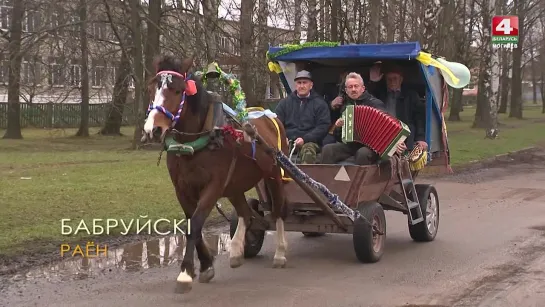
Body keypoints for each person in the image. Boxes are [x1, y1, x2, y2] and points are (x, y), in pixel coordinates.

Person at [320, 72, 387, 165]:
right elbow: (339, 138)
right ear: (346, 90)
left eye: (356, 86)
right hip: (351, 145)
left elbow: (386, 126)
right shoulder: (345, 106)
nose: (353, 89)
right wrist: (338, 127)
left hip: (371, 146)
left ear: (363, 88)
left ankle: (361, 180)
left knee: (362, 153)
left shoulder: (375, 104)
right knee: (328, 149)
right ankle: (325, 179)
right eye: (350, 87)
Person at [368, 62, 428, 152]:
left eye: (395, 79)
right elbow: (367, 98)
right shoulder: (379, 94)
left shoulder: (411, 95)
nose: (392, 82)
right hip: (382, 134)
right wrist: (372, 81)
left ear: (401, 79)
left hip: (405, 135)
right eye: (389, 79)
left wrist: (421, 138)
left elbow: (419, 118)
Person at [275, 70, 331, 164]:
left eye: (304, 83)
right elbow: (276, 122)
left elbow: (323, 127)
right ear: (295, 85)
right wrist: (282, 137)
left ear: (311, 85)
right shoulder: (284, 103)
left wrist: (305, 139)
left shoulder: (320, 104)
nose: (301, 86)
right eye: (299, 83)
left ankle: (304, 178)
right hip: (288, 141)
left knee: (308, 151)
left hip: (310, 142)